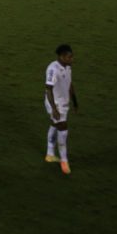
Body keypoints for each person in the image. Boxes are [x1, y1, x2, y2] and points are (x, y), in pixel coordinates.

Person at [45, 44, 77, 175]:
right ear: (62, 57)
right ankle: (64, 161)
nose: (72, 59)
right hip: (55, 104)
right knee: (63, 129)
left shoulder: (67, 67)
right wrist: (54, 109)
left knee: (55, 124)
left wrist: (75, 102)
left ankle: (50, 154)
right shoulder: (53, 69)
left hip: (63, 103)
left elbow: (69, 84)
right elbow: (48, 89)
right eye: (69, 57)